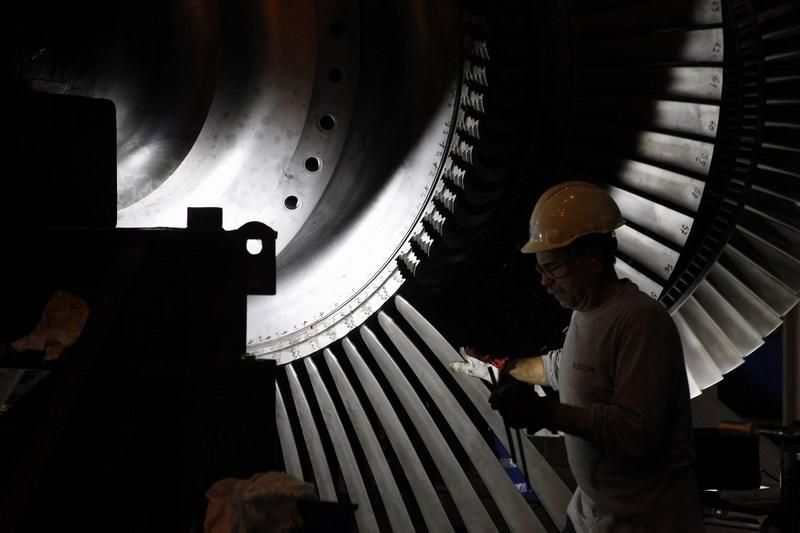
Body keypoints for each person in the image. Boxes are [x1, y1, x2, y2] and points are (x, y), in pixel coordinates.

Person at [481, 180, 704, 532]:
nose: (545, 282)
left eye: (552, 269)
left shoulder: (639, 322)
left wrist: (544, 413)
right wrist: (509, 367)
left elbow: (636, 431)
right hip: (590, 514)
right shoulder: (585, 312)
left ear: (593, 260)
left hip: (644, 521)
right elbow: (566, 367)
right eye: (540, 270)